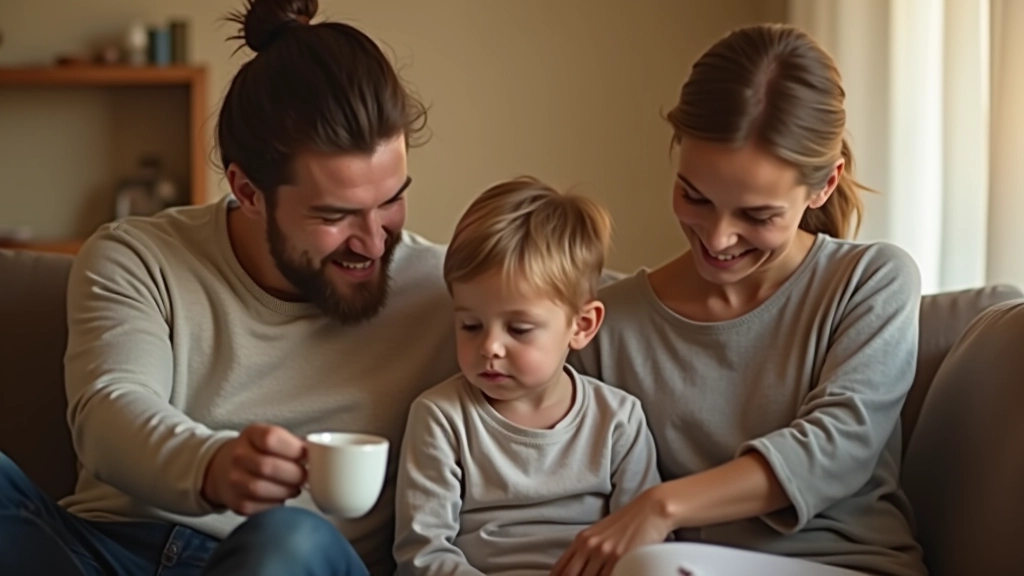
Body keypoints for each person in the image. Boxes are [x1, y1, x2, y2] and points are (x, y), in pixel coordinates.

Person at [0, 0, 457, 575]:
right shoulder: (137, 256)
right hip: (104, 555)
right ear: (248, 191)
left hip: (283, 562)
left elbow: (564, 359)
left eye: (390, 200)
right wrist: (209, 465)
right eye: (334, 215)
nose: (372, 241)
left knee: (290, 540)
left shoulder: (451, 293)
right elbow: (109, 410)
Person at [555, 23, 928, 576]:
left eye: (758, 215)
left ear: (824, 185)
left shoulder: (870, 281)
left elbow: (839, 446)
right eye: (695, 196)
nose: (718, 237)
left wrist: (662, 506)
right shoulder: (603, 326)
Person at [392, 178, 662, 575]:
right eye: (470, 325)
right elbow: (422, 553)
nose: (490, 347)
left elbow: (647, 545)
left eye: (518, 330)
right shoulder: (441, 417)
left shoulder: (619, 420)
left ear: (582, 325)